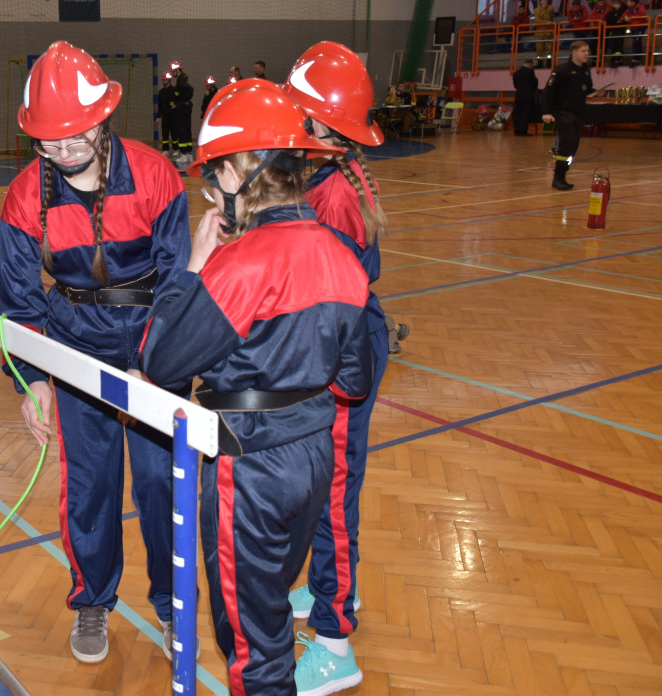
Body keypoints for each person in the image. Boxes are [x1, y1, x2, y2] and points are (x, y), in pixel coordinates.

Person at [140, 77, 372, 696]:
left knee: (251, 642)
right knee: (269, 601)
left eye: (213, 175)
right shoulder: (342, 256)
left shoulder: (240, 265)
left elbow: (160, 360)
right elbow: (354, 380)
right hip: (314, 458)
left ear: (243, 169)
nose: (211, 190)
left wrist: (193, 267)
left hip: (248, 467)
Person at [0, 40, 192, 664]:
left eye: (78, 134)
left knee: (162, 484)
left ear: (105, 116)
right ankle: (92, 601)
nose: (65, 149)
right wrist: (34, 379)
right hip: (74, 347)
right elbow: (18, 298)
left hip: (151, 344)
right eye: (51, 140)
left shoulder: (156, 174)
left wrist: (154, 363)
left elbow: (180, 282)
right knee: (89, 486)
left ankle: (172, 607)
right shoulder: (27, 196)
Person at [281, 41, 393, 696]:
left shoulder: (335, 196)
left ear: (323, 127)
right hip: (329, 337)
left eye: (298, 114)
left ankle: (334, 636)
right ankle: (325, 587)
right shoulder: (323, 175)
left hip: (343, 347)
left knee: (334, 494)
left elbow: (335, 300)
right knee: (322, 487)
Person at [542, 40, 599, 190]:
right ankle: (558, 177)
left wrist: (594, 92)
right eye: (583, 51)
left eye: (588, 51)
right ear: (574, 52)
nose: (587, 54)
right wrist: (547, 112)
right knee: (567, 145)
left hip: (578, 113)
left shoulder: (585, 70)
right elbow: (549, 91)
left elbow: (585, 88)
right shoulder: (562, 70)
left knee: (573, 147)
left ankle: (563, 175)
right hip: (563, 113)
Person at [512, 58, 539, 135]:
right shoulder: (530, 72)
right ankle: (523, 130)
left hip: (518, 96)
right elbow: (535, 84)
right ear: (530, 64)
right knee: (525, 113)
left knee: (518, 113)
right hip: (528, 96)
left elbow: (515, 85)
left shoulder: (516, 73)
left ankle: (516, 129)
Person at [619, 0, 648, 65]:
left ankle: (636, 59)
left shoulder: (640, 6)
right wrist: (625, 16)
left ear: (633, 2)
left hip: (640, 26)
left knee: (636, 41)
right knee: (635, 41)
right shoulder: (628, 9)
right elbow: (623, 15)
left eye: (628, 2)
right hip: (633, 27)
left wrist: (631, 17)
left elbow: (643, 14)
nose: (627, 3)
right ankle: (636, 59)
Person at [533, 0, 556, 67]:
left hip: (549, 31)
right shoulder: (537, 9)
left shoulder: (551, 8)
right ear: (540, 2)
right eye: (542, 1)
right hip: (539, 32)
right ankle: (540, 63)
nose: (544, 2)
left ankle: (548, 63)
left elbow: (550, 17)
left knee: (549, 49)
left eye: (545, 0)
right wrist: (545, 22)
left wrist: (544, 10)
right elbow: (537, 20)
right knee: (539, 48)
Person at [604, 0, 626, 65]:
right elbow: (607, 17)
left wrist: (615, 15)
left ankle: (619, 59)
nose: (617, 5)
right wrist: (614, 15)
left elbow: (620, 16)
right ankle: (614, 59)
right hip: (613, 30)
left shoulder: (623, 10)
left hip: (620, 30)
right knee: (614, 45)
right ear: (613, 5)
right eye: (616, 4)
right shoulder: (612, 12)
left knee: (619, 44)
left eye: (619, 4)